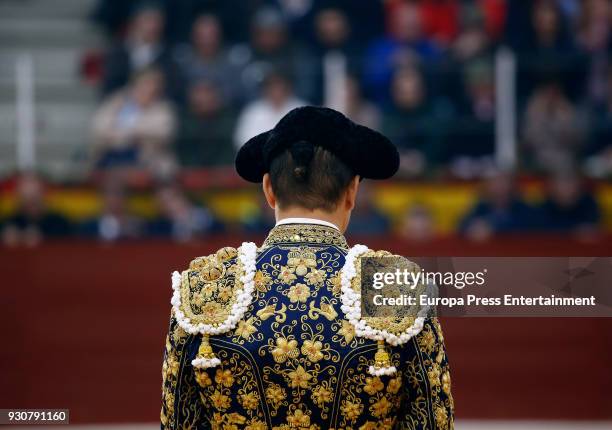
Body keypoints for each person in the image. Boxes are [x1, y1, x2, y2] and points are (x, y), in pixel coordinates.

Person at [161, 106, 454, 429]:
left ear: (269, 190)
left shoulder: (206, 285)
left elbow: (178, 421)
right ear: (352, 191)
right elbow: (432, 421)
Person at [91, 68, 176, 174]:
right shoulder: (117, 101)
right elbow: (100, 127)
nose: (149, 88)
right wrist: (130, 136)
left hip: (149, 159)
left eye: (153, 84)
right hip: (114, 155)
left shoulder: (162, 107)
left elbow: (163, 132)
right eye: (145, 83)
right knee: (115, 169)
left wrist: (126, 132)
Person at [233, 71, 306, 149]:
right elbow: (242, 139)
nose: (276, 91)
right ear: (265, 90)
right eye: (272, 87)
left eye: (279, 87)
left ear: (288, 88)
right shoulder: (253, 111)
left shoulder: (301, 110)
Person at [1, 174, 72, 246]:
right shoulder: (9, 223)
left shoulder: (60, 223)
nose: (30, 202)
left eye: (34, 197)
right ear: (19, 198)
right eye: (26, 197)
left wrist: (44, 239)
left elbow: (70, 247)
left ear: (44, 194)